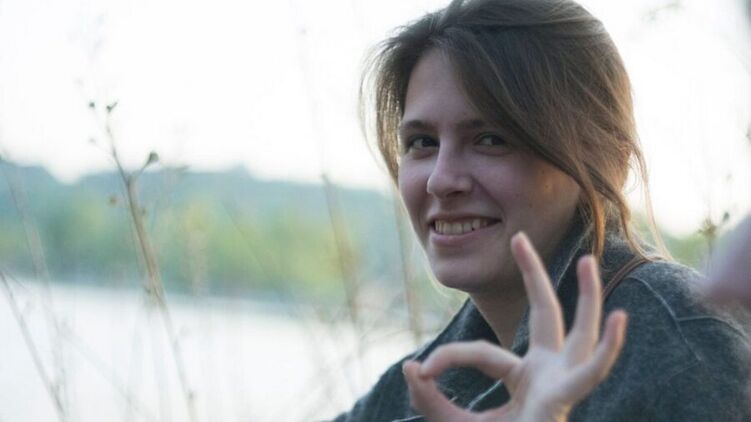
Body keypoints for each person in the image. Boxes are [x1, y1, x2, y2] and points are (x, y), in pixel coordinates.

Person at [334, 0, 750, 420]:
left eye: (491, 139)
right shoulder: (411, 387)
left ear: (604, 156)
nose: (440, 180)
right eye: (422, 143)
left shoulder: (685, 346)